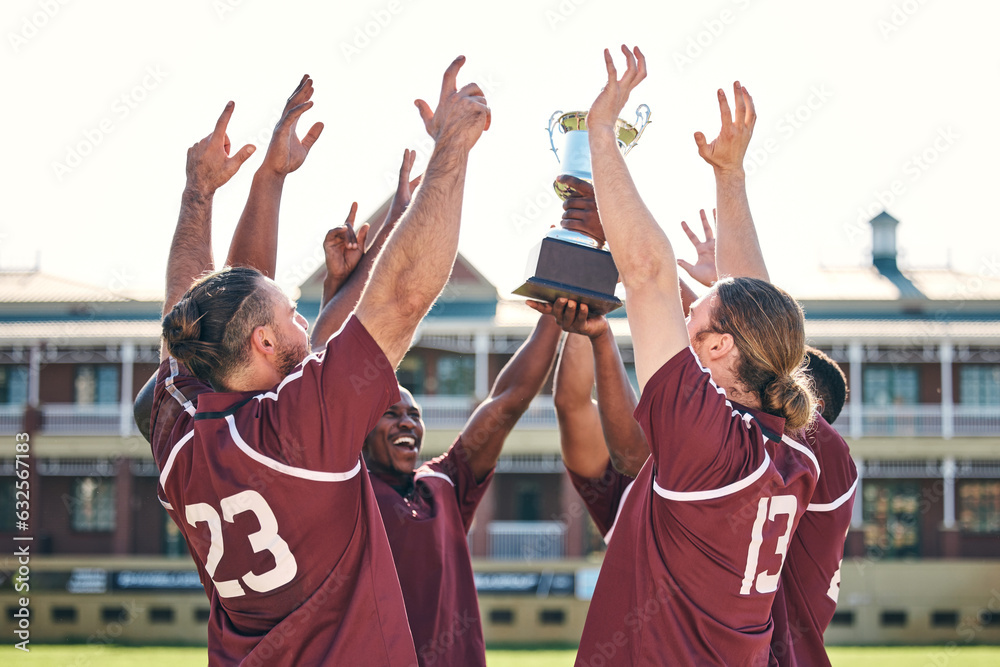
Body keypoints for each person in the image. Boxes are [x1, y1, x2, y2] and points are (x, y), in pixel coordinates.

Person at [147, 59, 490, 665]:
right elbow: (404, 294)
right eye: (292, 316)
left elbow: (197, 309)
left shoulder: (177, 431)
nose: (305, 320)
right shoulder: (296, 432)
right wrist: (453, 150)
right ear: (262, 345)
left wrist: (247, 182)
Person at [529, 46, 819, 666]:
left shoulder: (707, 439)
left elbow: (649, 274)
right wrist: (729, 178)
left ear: (718, 347)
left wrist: (601, 132)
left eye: (700, 308)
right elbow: (761, 317)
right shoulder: (793, 456)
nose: (684, 308)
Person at [313, 150, 562, 667]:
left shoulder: (444, 486)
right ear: (358, 427)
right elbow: (323, 377)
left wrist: (555, 317)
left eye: (414, 414)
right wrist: (354, 275)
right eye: (391, 413)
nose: (407, 421)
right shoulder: (346, 490)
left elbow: (506, 402)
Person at [675, 215, 858, 666]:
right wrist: (713, 294)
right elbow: (741, 342)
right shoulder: (800, 454)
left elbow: (758, 341)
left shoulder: (816, 450)